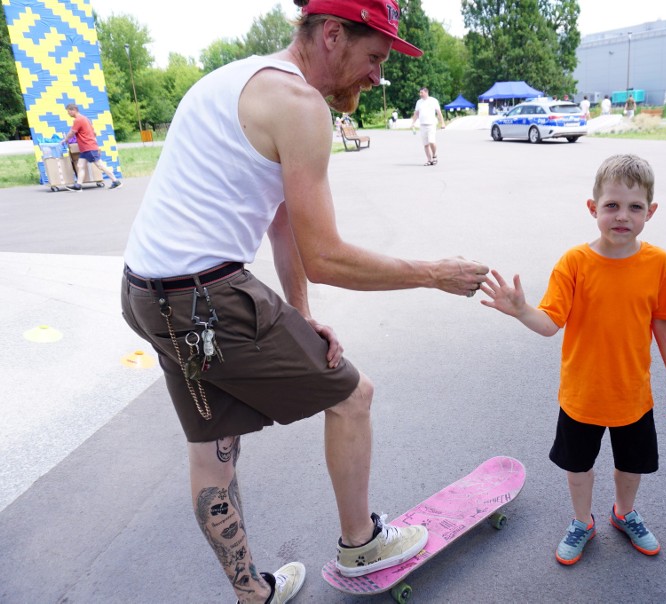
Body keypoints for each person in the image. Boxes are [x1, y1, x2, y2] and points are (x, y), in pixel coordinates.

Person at [120, 1, 488, 602]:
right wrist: (432, 274)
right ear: (333, 35)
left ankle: (253, 594)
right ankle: (361, 544)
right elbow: (328, 256)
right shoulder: (301, 105)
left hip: (146, 295)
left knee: (213, 449)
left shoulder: (240, 79)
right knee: (352, 395)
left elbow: (284, 219)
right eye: (373, 58)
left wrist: (301, 316)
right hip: (207, 299)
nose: (377, 76)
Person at [481, 154, 666, 567]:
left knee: (632, 466)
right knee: (578, 467)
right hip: (582, 395)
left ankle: (624, 513)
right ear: (593, 208)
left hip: (633, 394)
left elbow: (664, 324)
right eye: (611, 205)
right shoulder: (574, 263)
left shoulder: (659, 263)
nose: (622, 216)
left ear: (651, 211)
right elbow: (549, 324)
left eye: (634, 207)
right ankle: (581, 521)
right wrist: (522, 310)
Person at [60, 103, 122, 191]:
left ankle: (116, 181)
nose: (68, 113)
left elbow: (72, 132)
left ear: (73, 110)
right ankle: (78, 186)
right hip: (86, 148)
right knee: (80, 166)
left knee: (100, 165)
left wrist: (65, 140)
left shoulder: (78, 120)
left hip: (88, 147)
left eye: (68, 111)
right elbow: (94, 133)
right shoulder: (85, 119)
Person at [410, 87, 445, 166]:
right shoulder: (419, 102)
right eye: (420, 93)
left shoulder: (433, 101)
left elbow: (439, 113)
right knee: (425, 144)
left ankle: (434, 155)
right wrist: (413, 122)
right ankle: (429, 160)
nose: (420, 94)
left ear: (426, 92)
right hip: (422, 125)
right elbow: (416, 113)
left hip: (431, 124)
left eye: (421, 93)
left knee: (431, 141)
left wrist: (442, 123)